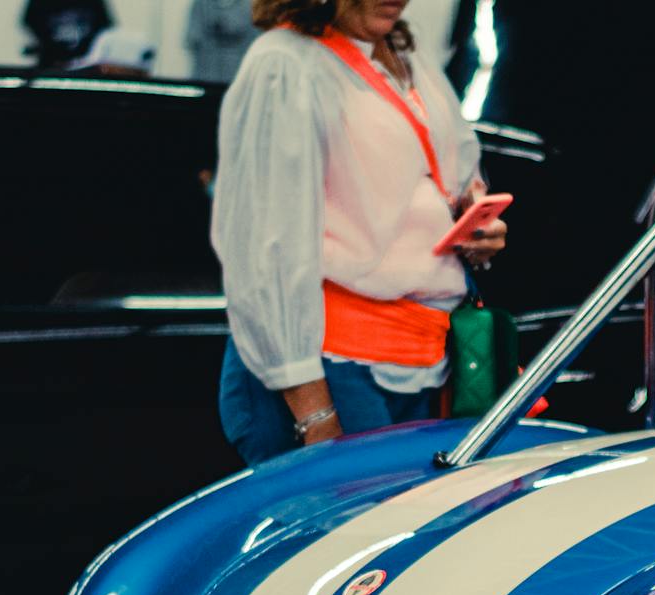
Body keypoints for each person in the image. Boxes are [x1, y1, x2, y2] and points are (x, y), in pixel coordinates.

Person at [212, 0, 509, 468]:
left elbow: (453, 169)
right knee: (351, 531)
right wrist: (316, 416)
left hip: (426, 356)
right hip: (335, 364)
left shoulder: (401, 51)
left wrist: (475, 221)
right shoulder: (285, 63)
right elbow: (265, 249)